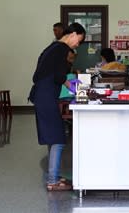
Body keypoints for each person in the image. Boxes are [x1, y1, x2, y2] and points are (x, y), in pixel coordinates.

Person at [29, 22, 86, 191]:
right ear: (73, 34)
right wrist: (74, 87)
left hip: (42, 94)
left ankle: (53, 175)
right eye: (79, 41)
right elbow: (60, 76)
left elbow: (49, 75)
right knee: (59, 138)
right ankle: (52, 181)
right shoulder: (62, 49)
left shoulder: (52, 47)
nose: (77, 45)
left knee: (53, 136)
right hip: (46, 95)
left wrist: (72, 87)